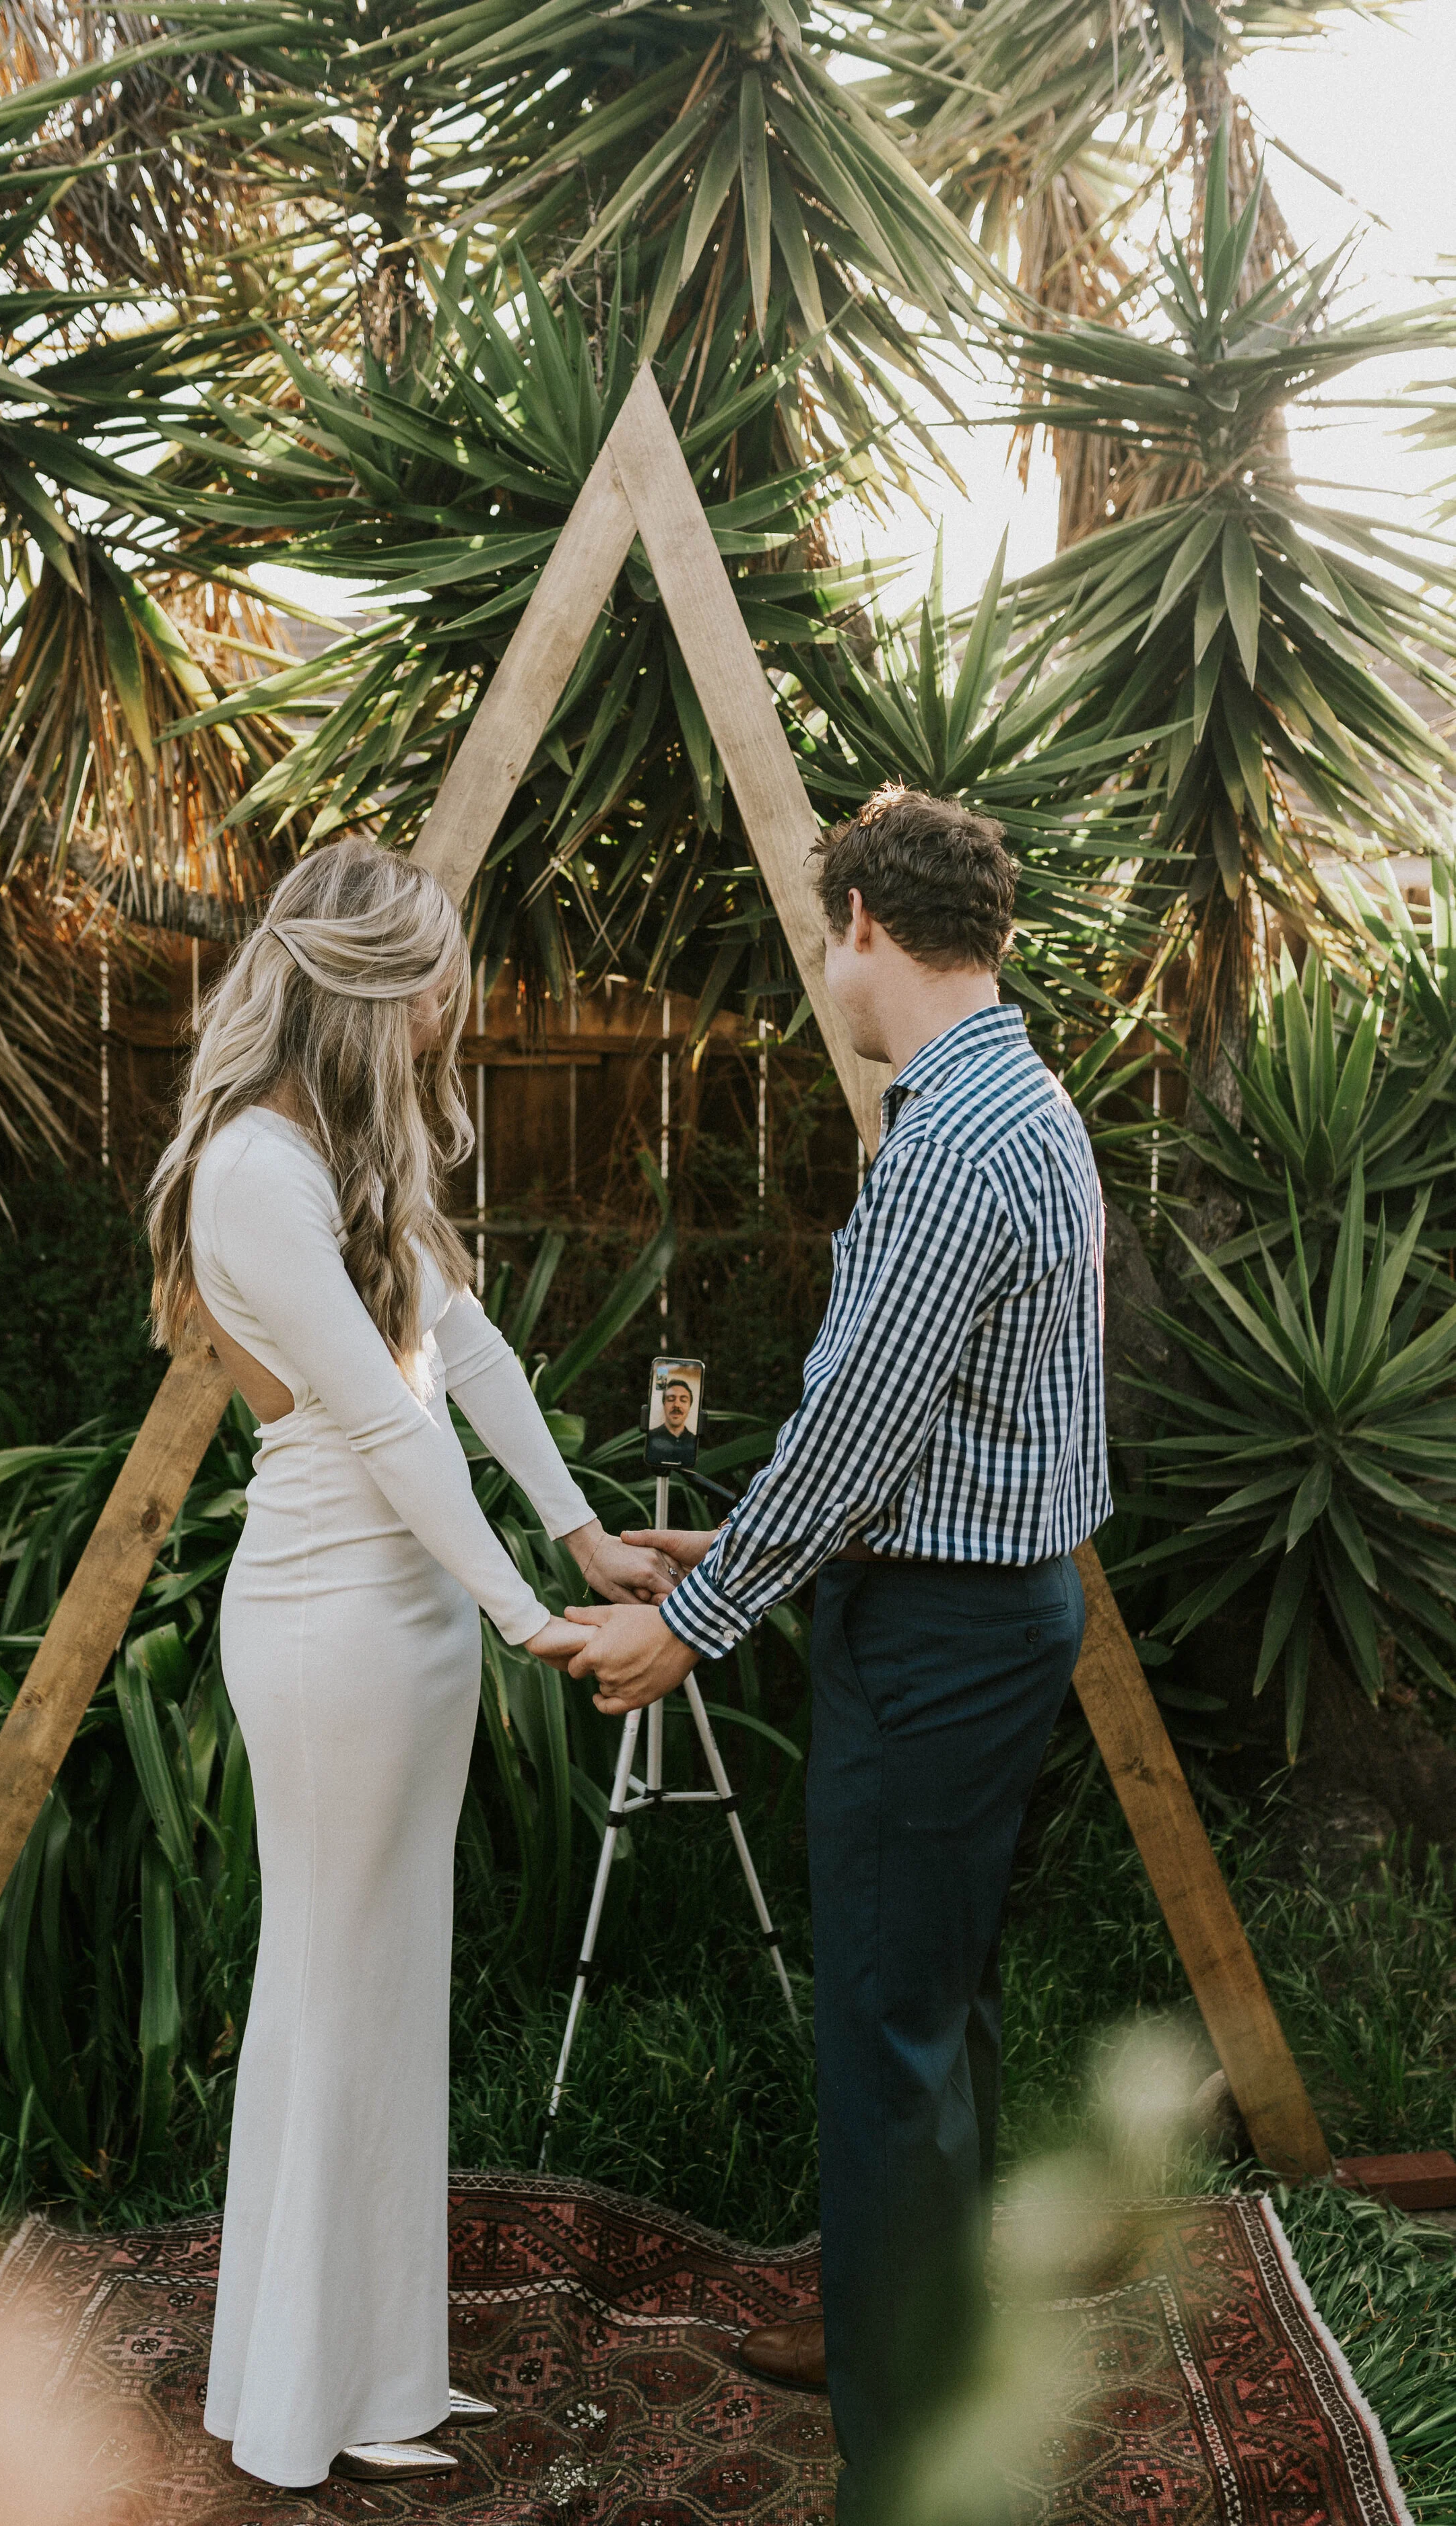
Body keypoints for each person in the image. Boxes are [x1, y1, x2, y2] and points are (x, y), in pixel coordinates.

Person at [567, 785, 1109, 2526]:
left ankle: (903, 2468)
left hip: (941, 1635)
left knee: (886, 2035)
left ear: (867, 919)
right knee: (936, 2020)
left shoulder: (952, 1139)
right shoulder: (1021, 1100)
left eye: (824, 933)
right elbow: (956, 1434)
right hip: (979, 1601)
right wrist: (740, 1537)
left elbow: (866, 1425)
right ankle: (924, 2344)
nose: (824, 963)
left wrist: (687, 1624)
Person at [145, 841, 673, 2492]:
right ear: (374, 987)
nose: (463, 994)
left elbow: (471, 1356)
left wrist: (581, 1533)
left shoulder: (343, 1147)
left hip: (410, 1621)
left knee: (386, 1996)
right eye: (443, 966)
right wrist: (527, 1612)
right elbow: (379, 1423)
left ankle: (376, 2371)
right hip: (328, 1628)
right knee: (332, 1991)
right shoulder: (251, 1170)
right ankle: (299, 2399)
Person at [645, 1373, 698, 1468]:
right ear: (664, 1404)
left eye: (683, 1400)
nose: (677, 1405)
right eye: (671, 1399)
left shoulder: (695, 1442)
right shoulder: (650, 1438)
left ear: (690, 1406)